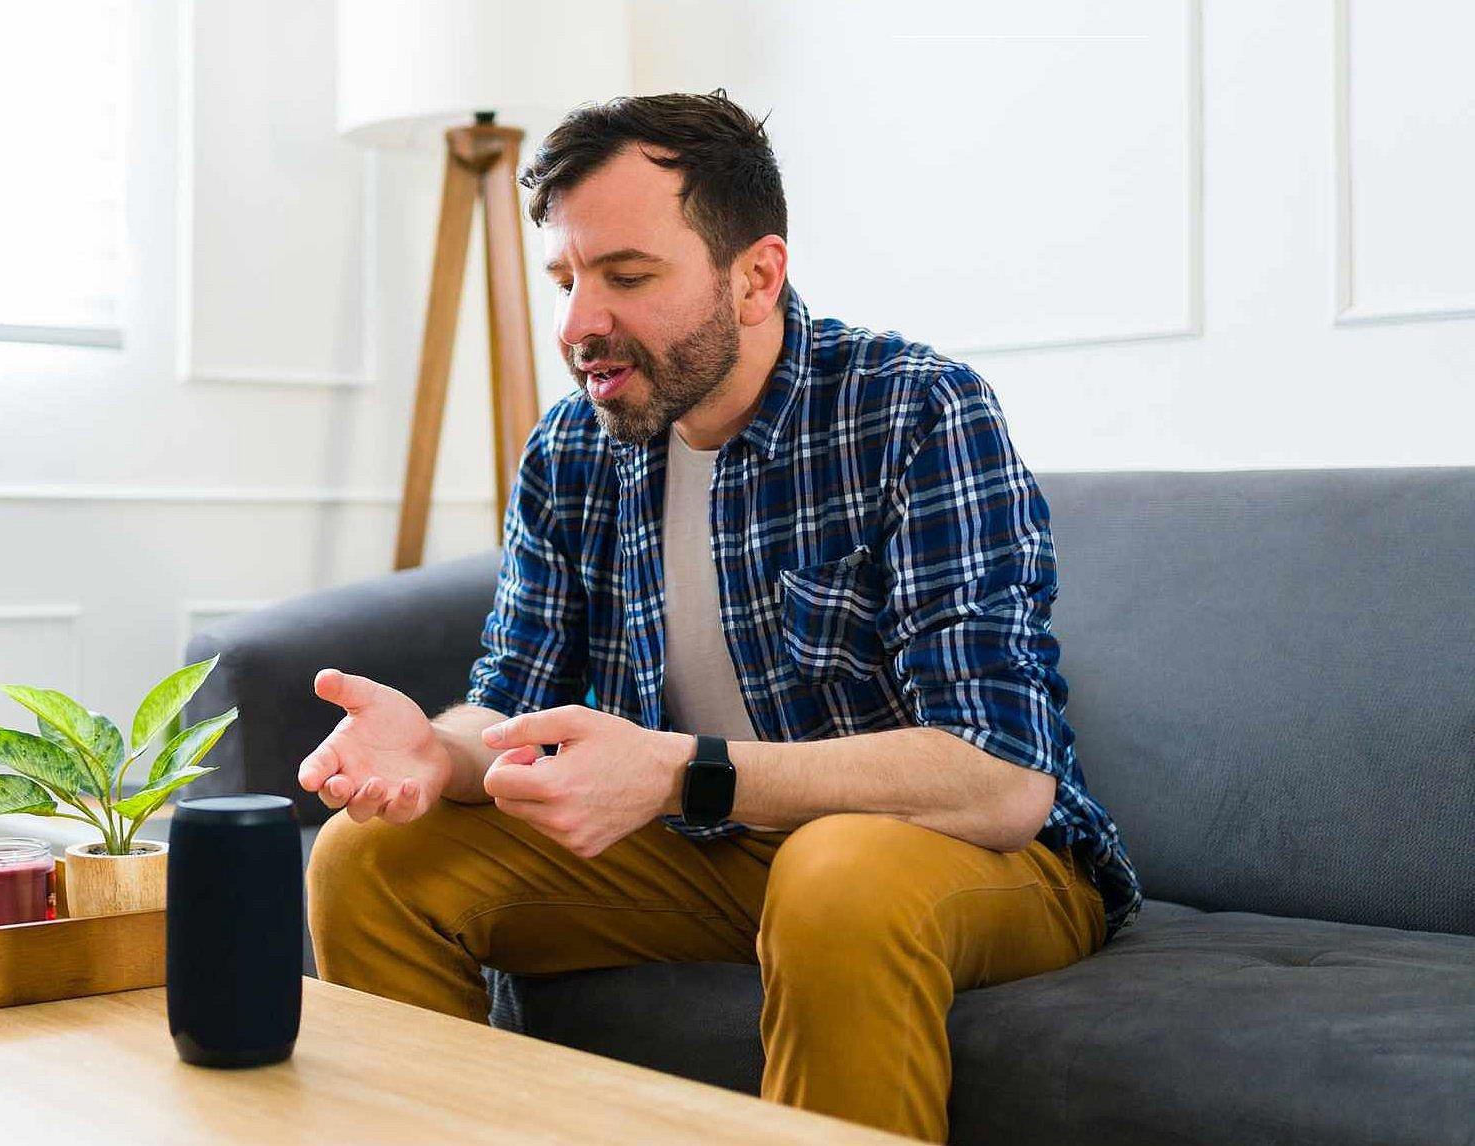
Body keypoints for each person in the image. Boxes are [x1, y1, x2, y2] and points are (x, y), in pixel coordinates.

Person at [298, 90, 1140, 1145]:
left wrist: (675, 769)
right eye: (566, 279)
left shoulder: (914, 410)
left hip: (977, 861)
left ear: (756, 276)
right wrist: (435, 749)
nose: (576, 327)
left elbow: (1000, 777)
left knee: (834, 871)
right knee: (366, 860)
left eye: (627, 276)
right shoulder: (573, 449)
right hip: (716, 850)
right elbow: (508, 707)